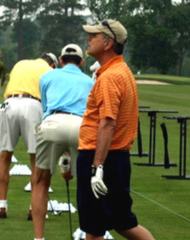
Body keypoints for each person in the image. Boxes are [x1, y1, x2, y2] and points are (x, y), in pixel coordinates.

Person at [77, 19, 155, 240]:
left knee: (95, 228)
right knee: (122, 222)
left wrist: (97, 167)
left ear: (108, 43)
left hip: (101, 158)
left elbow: (107, 123)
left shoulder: (110, 77)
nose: (89, 38)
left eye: (94, 35)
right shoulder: (122, 70)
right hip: (116, 159)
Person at [31, 44, 94, 240]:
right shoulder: (90, 82)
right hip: (80, 126)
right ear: (82, 62)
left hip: (52, 123)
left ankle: (38, 238)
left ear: (60, 60)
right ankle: (89, 233)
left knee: (41, 182)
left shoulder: (47, 76)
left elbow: (46, 107)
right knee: (86, 183)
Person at [0, 53, 58, 220]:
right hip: (33, 105)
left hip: (9, 104)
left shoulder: (20, 62)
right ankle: (33, 209)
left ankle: (2, 206)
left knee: (4, 156)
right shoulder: (49, 71)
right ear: (52, 64)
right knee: (36, 159)